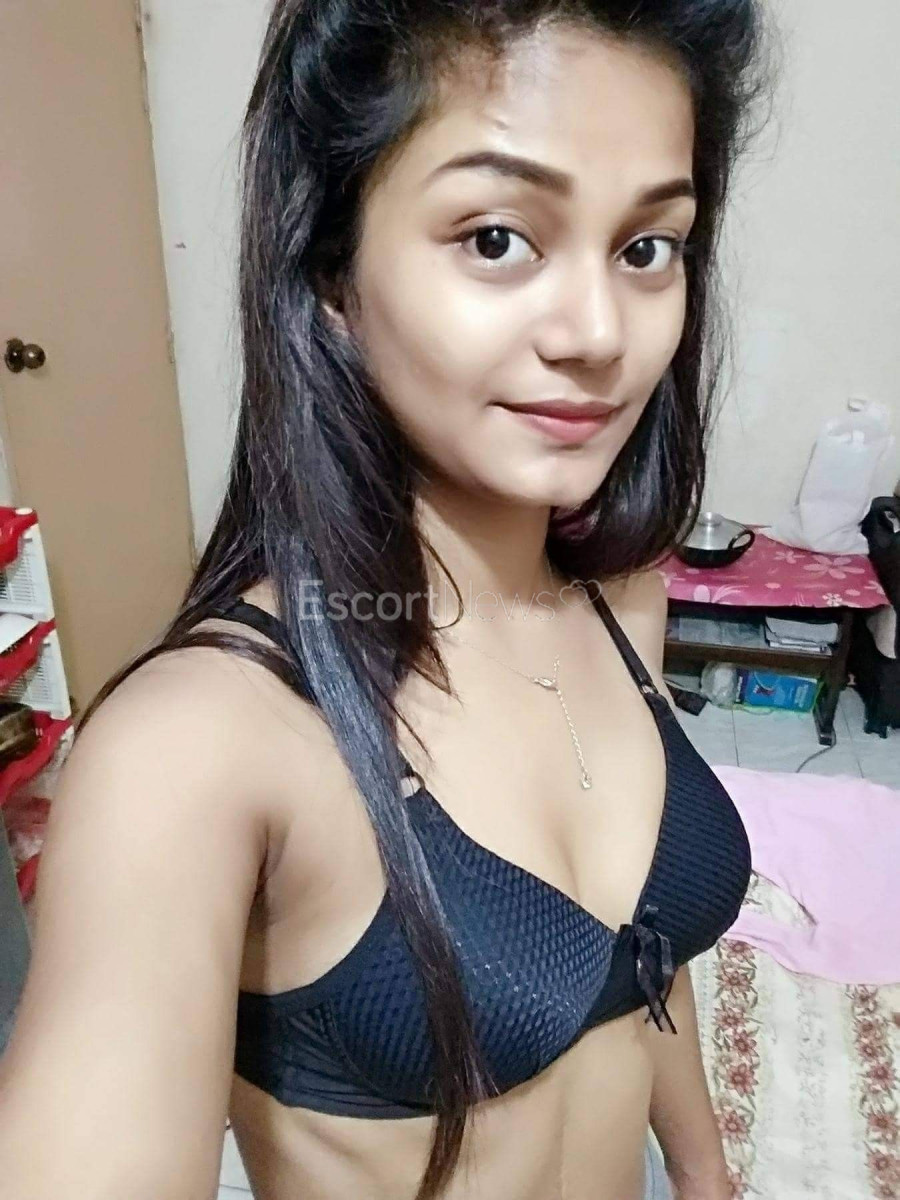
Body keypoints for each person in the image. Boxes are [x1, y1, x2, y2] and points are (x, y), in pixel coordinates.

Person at [0, 1, 768, 1197]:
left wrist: (709, 1175)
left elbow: (643, 955)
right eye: (498, 239)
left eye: (646, 248)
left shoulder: (625, 603)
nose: (599, 334)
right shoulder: (197, 745)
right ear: (332, 274)